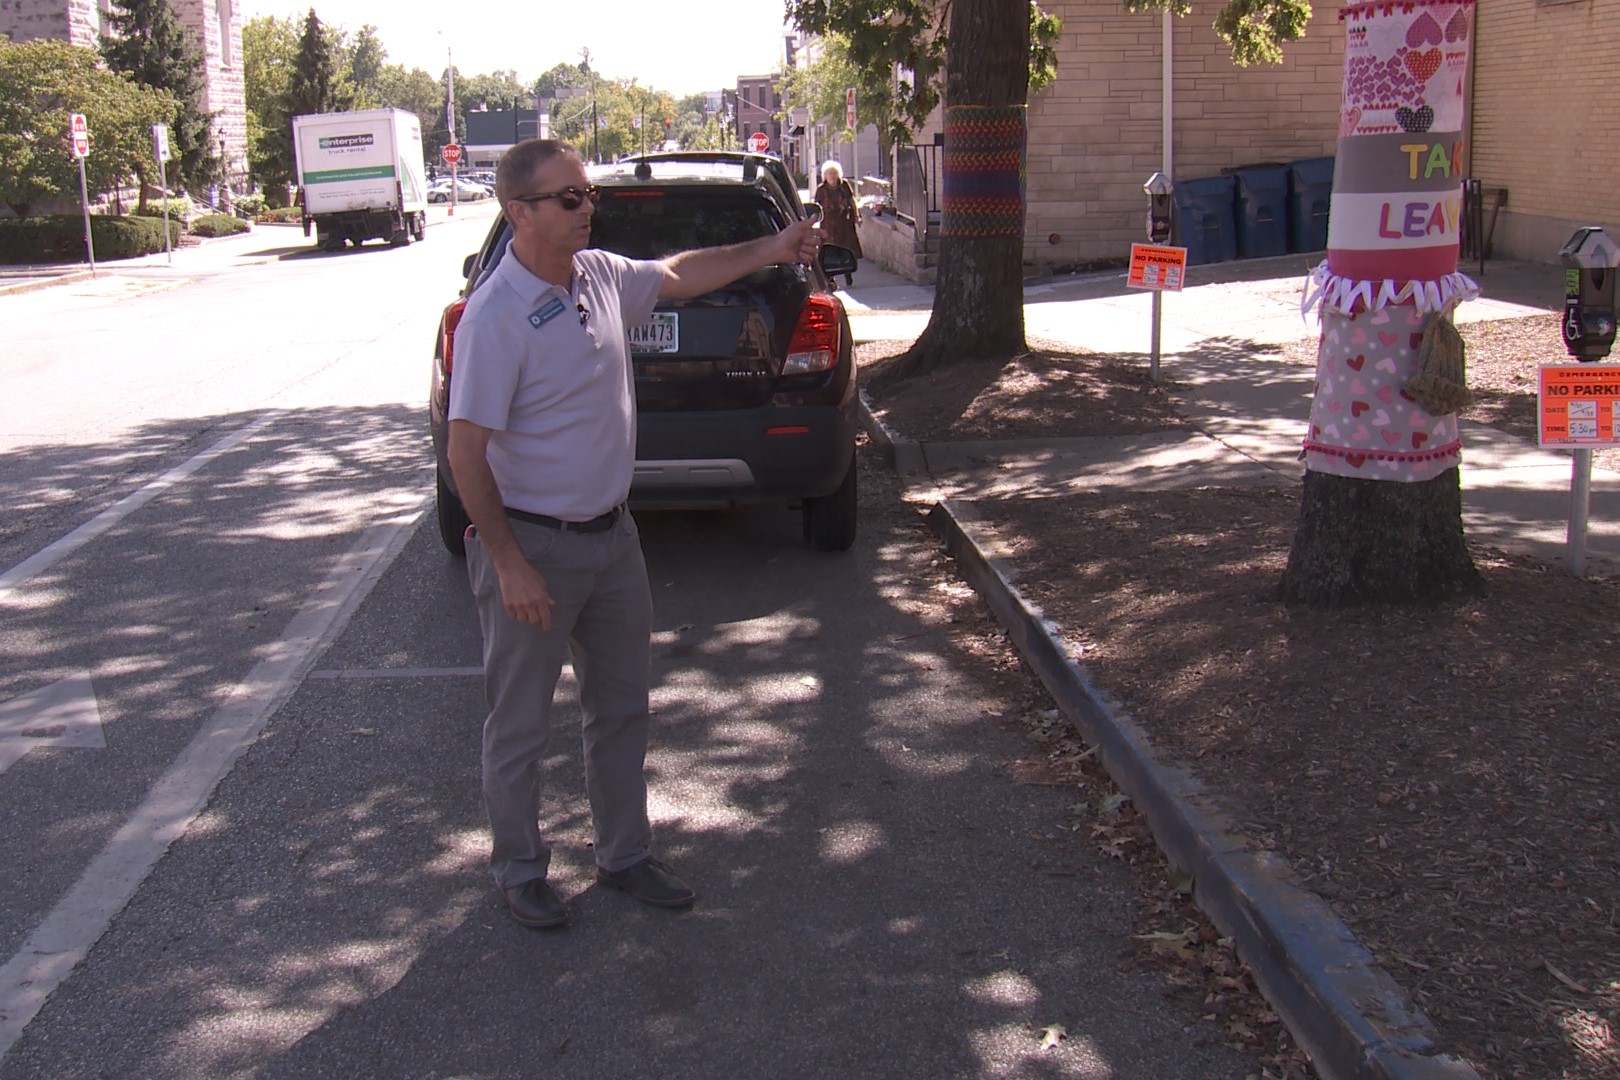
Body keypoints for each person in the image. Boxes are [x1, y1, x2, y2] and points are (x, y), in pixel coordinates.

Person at [446, 139, 820, 930]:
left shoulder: (601, 277)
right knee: (519, 727)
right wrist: (508, 562)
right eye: (570, 198)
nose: (589, 207)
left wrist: (776, 246)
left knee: (621, 711)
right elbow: (465, 450)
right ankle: (519, 869)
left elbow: (686, 272)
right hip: (535, 548)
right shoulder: (495, 315)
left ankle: (622, 855)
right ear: (520, 212)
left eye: (588, 193)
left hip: (614, 542)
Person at [813, 160, 862, 288]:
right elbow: (815, 206)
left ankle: (847, 274)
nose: (832, 176)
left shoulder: (844, 186)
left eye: (834, 173)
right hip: (828, 224)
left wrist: (857, 216)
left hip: (844, 223)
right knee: (829, 250)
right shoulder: (821, 189)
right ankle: (831, 278)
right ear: (825, 175)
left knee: (845, 249)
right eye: (829, 173)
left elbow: (852, 201)